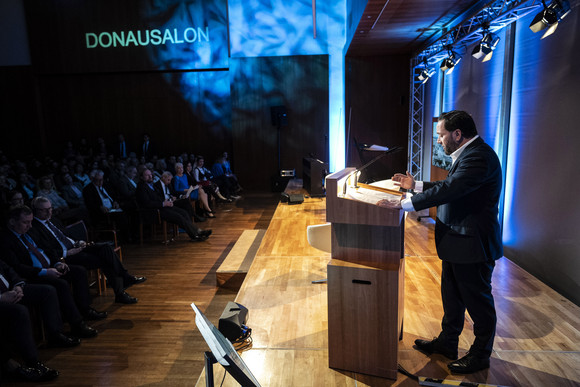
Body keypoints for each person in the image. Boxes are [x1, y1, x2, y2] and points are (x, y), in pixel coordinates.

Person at [377, 110, 502, 374]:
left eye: (441, 135)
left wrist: (404, 203)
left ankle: (480, 355)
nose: (438, 141)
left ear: (457, 134)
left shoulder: (479, 156)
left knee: (478, 303)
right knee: (453, 298)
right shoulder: (470, 153)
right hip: (458, 243)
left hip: (472, 244)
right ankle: (447, 343)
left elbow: (451, 189)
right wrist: (416, 185)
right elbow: (450, 184)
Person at [0, 206, 102, 338]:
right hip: (32, 275)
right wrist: (45, 271)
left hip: (50, 267)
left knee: (78, 271)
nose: (30, 226)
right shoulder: (5, 240)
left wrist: (58, 262)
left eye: (31, 222)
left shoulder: (29, 232)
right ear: (12, 222)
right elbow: (17, 267)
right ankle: (72, 326)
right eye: (25, 222)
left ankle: (85, 309)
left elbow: (47, 248)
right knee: (59, 285)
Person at [28, 197, 145, 304]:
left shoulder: (53, 219)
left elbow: (66, 235)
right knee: (105, 259)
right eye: (45, 210)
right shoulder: (33, 227)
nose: (49, 212)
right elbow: (45, 249)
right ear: (35, 211)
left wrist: (78, 242)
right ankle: (122, 289)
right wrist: (66, 253)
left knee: (106, 248)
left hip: (75, 247)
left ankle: (124, 279)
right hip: (65, 256)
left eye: (50, 208)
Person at [136, 169, 211, 242]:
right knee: (179, 217)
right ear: (141, 177)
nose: (150, 177)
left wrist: (167, 201)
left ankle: (198, 231)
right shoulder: (141, 187)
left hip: (162, 207)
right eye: (147, 175)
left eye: (150, 174)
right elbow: (147, 203)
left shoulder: (151, 185)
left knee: (183, 212)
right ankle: (195, 235)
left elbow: (158, 197)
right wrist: (163, 203)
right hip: (154, 211)